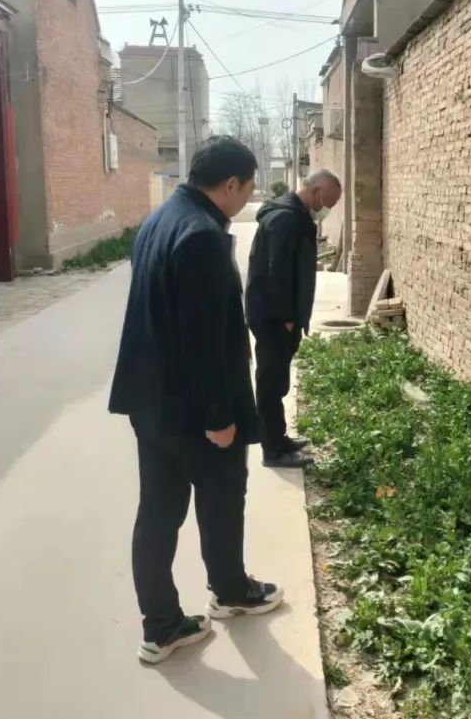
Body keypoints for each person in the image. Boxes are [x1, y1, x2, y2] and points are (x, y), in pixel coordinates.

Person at [108, 136, 284, 666]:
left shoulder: (159, 220)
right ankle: (230, 591)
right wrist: (219, 417)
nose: (246, 199)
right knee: (223, 497)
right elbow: (204, 341)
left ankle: (161, 627)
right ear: (230, 184)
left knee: (158, 513)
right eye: (247, 189)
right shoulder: (202, 236)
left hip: (151, 403)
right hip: (193, 410)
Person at [245, 169, 342, 468]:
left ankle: (279, 437)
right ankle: (273, 451)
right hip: (274, 319)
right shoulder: (286, 219)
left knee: (278, 382)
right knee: (271, 383)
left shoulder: (293, 214)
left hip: (277, 317)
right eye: (328, 202)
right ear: (316, 191)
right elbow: (278, 272)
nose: (327, 210)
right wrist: (287, 316)